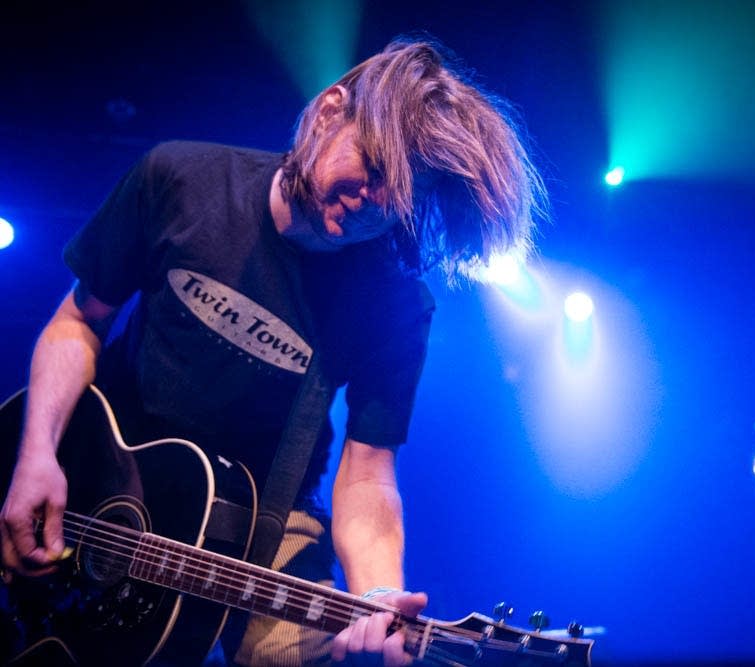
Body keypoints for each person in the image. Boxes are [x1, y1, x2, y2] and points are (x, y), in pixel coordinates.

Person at [0, 37, 545, 666]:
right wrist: (37, 456)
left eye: (400, 195)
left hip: (266, 511)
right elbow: (77, 323)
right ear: (330, 111)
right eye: (372, 166)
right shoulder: (178, 178)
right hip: (101, 472)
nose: (373, 201)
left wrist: (379, 591)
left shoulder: (395, 303)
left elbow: (368, 472)